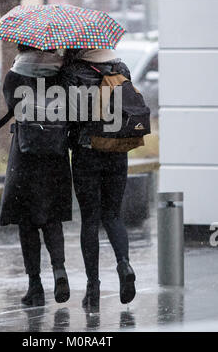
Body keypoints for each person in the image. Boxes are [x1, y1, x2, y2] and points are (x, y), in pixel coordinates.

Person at [62, 48, 136, 310]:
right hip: (118, 151)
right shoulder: (121, 68)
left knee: (90, 220)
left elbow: (69, 115)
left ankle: (93, 287)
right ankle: (124, 264)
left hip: (87, 152)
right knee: (113, 215)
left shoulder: (73, 72)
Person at [0, 45, 72, 307]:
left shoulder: (15, 74)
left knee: (26, 221)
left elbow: (13, 108)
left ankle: (35, 286)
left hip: (26, 154)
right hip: (55, 155)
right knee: (51, 217)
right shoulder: (62, 72)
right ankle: (59, 270)